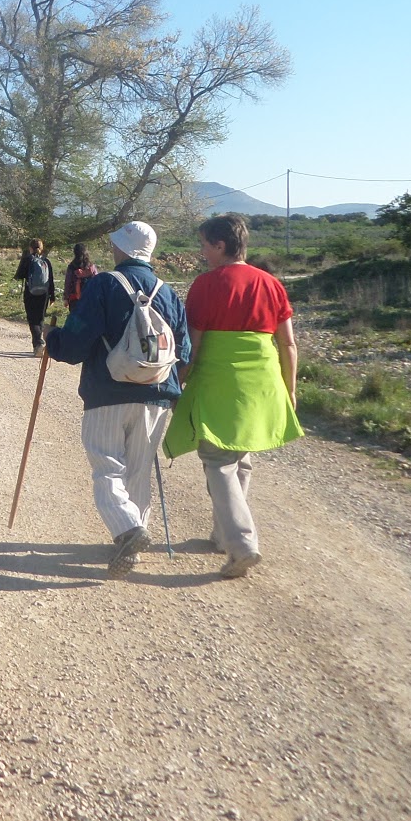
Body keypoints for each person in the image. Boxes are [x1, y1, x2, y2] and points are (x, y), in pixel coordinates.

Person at [45, 221, 191, 578]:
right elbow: (183, 350)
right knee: (138, 471)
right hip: (157, 395)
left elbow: (76, 342)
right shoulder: (168, 293)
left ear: (122, 248)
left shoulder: (104, 284)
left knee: (107, 466)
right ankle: (132, 543)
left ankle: (128, 529)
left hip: (106, 392)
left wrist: (53, 339)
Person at [165, 213, 302, 579]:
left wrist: (177, 383)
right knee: (240, 456)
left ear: (220, 245)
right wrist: (289, 390)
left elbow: (192, 345)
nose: (201, 252)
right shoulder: (272, 284)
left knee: (218, 460)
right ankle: (221, 535)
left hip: (219, 383)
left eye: (204, 245)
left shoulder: (206, 284)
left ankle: (242, 543)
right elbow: (288, 344)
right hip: (263, 383)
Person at [13, 238, 56, 355]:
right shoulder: (46, 261)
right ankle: (37, 346)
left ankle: (38, 344)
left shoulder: (27, 260)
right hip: (44, 294)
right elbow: (51, 280)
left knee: (32, 319)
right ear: (42, 248)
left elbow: (19, 275)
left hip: (30, 293)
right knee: (40, 319)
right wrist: (52, 296)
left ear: (30, 248)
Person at [62, 242, 97, 312]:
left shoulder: (72, 267)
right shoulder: (91, 267)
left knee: (75, 317)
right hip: (89, 298)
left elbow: (68, 283)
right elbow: (97, 282)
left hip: (74, 299)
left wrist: (66, 298)